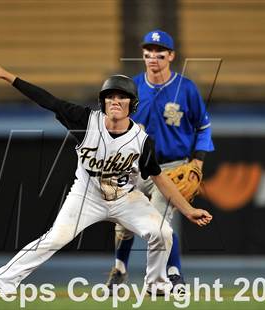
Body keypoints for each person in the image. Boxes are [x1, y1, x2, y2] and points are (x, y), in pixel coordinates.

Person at [0, 60, 212, 296]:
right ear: (103, 102)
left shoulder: (141, 141)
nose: (115, 101)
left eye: (122, 97)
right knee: (54, 238)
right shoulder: (85, 120)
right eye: (110, 97)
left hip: (125, 198)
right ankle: (1, 283)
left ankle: (156, 285)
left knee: (162, 232)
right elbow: (48, 101)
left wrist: (187, 210)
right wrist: (9, 77)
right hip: (86, 196)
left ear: (132, 104)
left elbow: (160, 178)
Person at [106, 30, 214, 291]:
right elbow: (116, 125)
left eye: (159, 54)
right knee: (124, 223)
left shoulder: (185, 88)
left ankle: (174, 274)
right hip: (134, 167)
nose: (153, 58)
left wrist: (198, 161)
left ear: (171, 56)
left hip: (171, 166)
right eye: (148, 54)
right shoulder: (132, 88)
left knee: (158, 221)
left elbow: (203, 127)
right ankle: (120, 268)